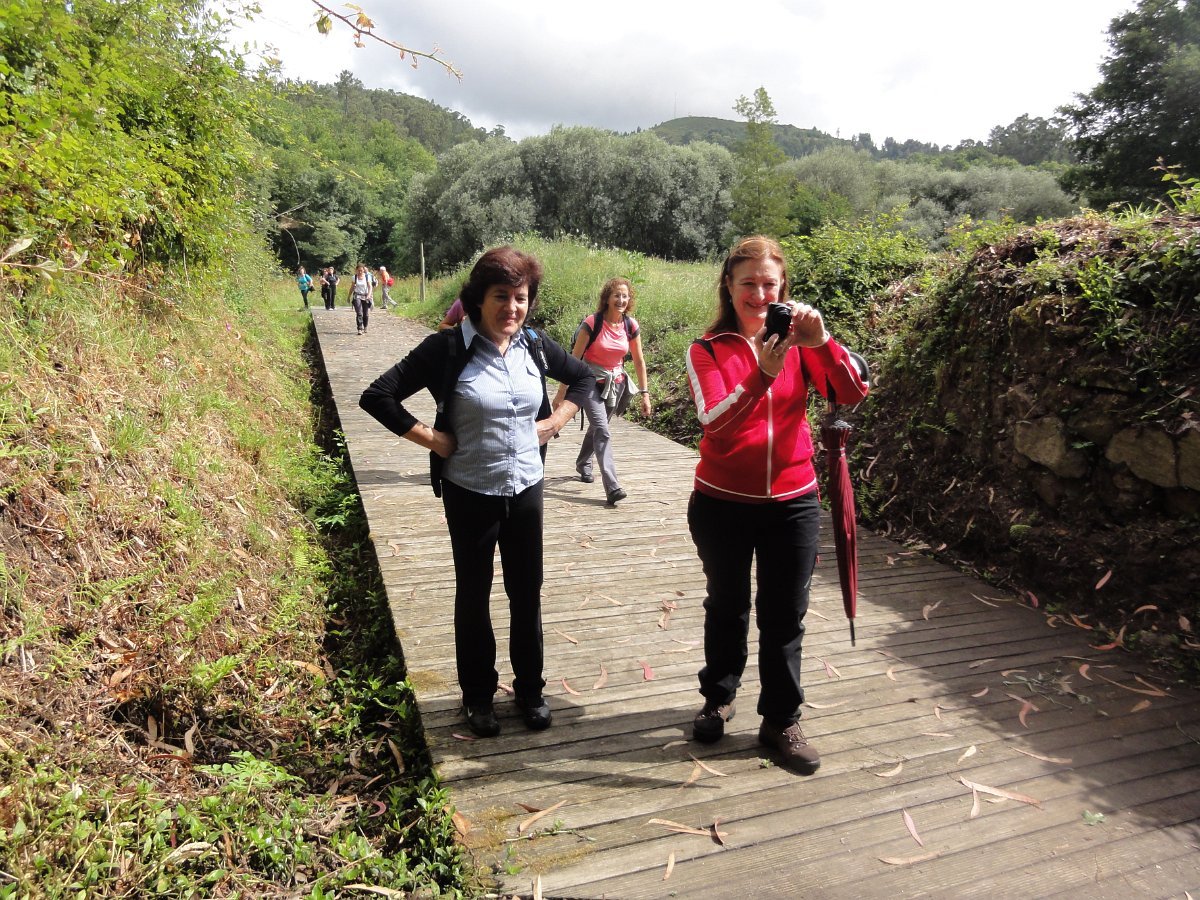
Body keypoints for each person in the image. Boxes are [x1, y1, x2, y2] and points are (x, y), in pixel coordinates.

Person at [359, 246, 594, 737]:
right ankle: (478, 697)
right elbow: (378, 395)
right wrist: (433, 438)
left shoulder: (534, 344)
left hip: (526, 488)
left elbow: (583, 377)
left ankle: (530, 691)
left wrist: (554, 422)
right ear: (478, 299)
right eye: (501, 296)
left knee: (526, 592)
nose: (512, 307)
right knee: (474, 593)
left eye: (521, 297)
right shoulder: (447, 348)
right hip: (470, 491)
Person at [685, 235, 869, 775]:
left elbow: (851, 392)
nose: (759, 294)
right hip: (722, 502)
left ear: (783, 287)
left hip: (793, 502)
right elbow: (714, 422)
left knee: (785, 615)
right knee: (726, 604)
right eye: (749, 283)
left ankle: (781, 720)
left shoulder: (800, 346)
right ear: (728, 286)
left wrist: (821, 341)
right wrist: (762, 372)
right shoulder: (707, 349)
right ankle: (718, 697)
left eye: (770, 284)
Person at [552, 277, 651, 506]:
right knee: (602, 430)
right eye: (616, 295)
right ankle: (612, 486)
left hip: (615, 385)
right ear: (607, 298)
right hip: (588, 382)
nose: (621, 300)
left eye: (625, 296)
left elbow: (639, 361)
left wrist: (645, 393)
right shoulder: (592, 323)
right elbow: (573, 360)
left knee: (598, 427)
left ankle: (583, 462)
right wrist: (561, 392)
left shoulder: (630, 326)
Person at [348, 263, 373, 334]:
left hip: (365, 296)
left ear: (363, 270)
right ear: (356, 270)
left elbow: (370, 287)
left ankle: (365, 326)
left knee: (365, 314)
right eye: (358, 270)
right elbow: (352, 287)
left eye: (361, 270)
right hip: (357, 296)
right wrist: (349, 296)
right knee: (359, 313)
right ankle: (359, 328)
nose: (360, 272)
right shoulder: (354, 277)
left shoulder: (367, 277)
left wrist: (369, 295)